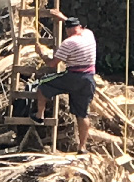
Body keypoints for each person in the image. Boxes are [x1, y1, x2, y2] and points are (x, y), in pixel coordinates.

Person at [31, 9, 96, 154]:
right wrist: (63, 18)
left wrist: (41, 53)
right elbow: (74, 26)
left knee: (43, 84)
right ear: (79, 27)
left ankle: (39, 115)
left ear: (67, 30)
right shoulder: (88, 34)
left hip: (73, 76)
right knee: (82, 114)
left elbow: (52, 64)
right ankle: (82, 147)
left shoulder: (69, 43)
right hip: (89, 79)